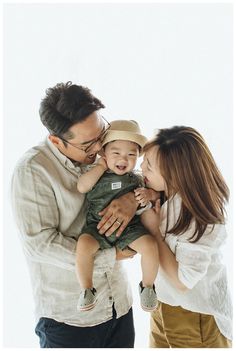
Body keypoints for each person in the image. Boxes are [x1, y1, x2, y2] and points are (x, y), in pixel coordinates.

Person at [11, 81, 143, 348]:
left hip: (119, 303)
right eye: (87, 145)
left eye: (101, 134)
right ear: (56, 140)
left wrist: (133, 199)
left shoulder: (106, 152)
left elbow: (147, 179)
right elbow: (41, 244)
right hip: (70, 319)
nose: (98, 149)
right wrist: (111, 256)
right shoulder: (33, 171)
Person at [139, 126, 232, 348]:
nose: (141, 168)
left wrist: (154, 232)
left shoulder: (200, 217)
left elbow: (183, 281)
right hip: (163, 306)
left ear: (175, 174)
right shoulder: (163, 194)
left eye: (149, 166)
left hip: (195, 315)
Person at [76, 119, 160, 312]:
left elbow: (156, 194)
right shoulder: (96, 173)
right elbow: (82, 187)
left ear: (139, 156)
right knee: (83, 245)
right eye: (116, 153)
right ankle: (87, 289)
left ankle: (148, 286)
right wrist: (99, 167)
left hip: (129, 228)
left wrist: (149, 195)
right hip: (97, 226)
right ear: (103, 153)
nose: (124, 159)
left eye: (131, 154)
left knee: (149, 245)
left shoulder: (138, 178)